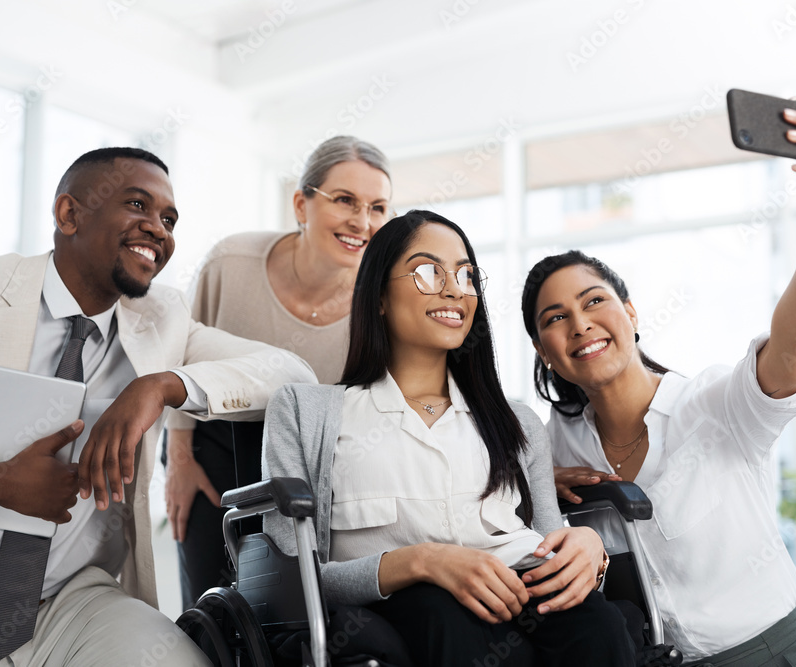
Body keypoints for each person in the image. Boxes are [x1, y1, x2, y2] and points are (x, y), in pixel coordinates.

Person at [0, 147, 316, 666]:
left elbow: (291, 374)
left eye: (168, 219)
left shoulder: (161, 321)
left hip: (75, 607)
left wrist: (161, 386)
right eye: (137, 205)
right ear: (70, 214)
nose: (158, 229)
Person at [521, 95, 796, 666]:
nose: (580, 324)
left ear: (630, 314)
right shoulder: (548, 446)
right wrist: (534, 484)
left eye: (594, 301)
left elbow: (792, 354)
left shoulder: (712, 405)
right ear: (543, 351)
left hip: (780, 652)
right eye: (555, 318)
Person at [263, 211, 637, 666]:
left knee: (598, 624)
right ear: (378, 295)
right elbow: (287, 580)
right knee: (443, 614)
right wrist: (422, 561)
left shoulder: (515, 420)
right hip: (410, 603)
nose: (454, 289)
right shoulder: (308, 412)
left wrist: (586, 547)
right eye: (427, 272)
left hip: (519, 581)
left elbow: (547, 537)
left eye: (466, 275)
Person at [164, 135, 393, 608]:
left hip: (309, 466)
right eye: (345, 200)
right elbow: (180, 358)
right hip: (211, 446)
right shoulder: (231, 263)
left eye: (377, 208)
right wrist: (179, 461)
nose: (362, 221)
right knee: (209, 602)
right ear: (301, 204)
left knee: (286, 610)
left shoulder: (380, 305)